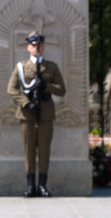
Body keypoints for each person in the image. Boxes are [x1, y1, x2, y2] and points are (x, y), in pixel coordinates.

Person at [7, 32, 66, 198]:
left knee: (44, 150)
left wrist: (46, 86)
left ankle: (42, 185)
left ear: (43, 47)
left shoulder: (51, 67)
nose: (36, 48)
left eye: (39, 45)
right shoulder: (21, 66)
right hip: (27, 114)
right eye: (33, 45)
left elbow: (62, 90)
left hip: (45, 114)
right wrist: (26, 103)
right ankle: (30, 185)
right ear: (28, 47)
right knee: (29, 150)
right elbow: (11, 89)